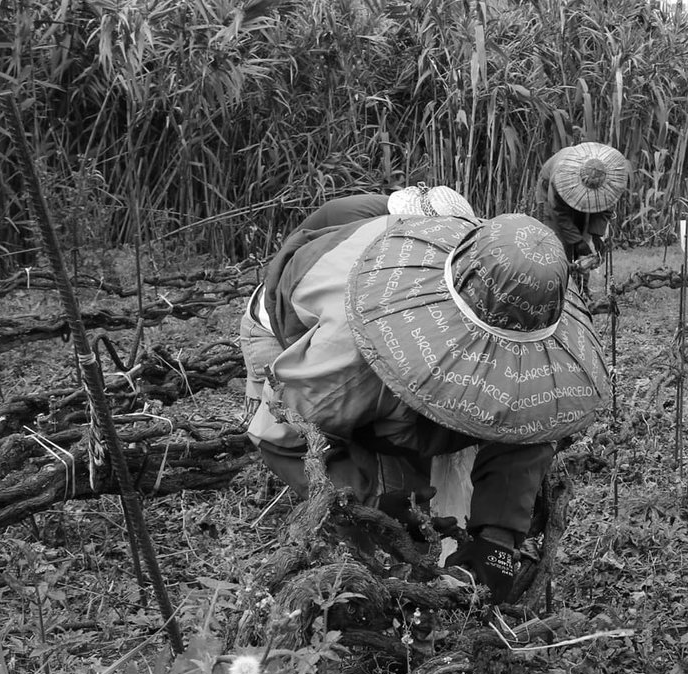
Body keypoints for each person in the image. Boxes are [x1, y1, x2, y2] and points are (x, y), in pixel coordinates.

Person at [240, 201, 609, 604]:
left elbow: (526, 421)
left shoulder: (517, 287)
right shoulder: (353, 354)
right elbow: (281, 435)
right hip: (288, 334)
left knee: (431, 501)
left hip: (383, 360)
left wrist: (498, 540)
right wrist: (373, 504)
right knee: (380, 535)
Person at [535, 142, 629, 274]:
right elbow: (558, 212)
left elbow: (606, 206)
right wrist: (577, 241)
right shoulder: (560, 178)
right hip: (550, 192)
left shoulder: (609, 180)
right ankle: (558, 280)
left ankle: (581, 282)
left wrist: (596, 234)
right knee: (557, 242)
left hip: (578, 188)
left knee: (584, 239)